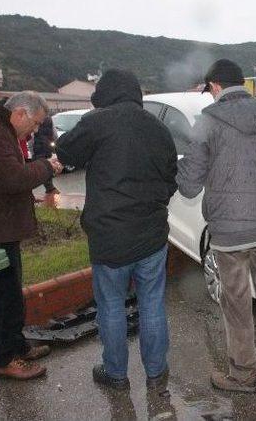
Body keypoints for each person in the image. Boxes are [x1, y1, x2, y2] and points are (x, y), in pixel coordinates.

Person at [177, 59, 256, 393]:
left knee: (236, 301)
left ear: (215, 86)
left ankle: (243, 374)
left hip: (230, 233)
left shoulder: (207, 122)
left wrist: (182, 165)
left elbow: (189, 186)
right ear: (241, 84)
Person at [56, 69, 178, 391]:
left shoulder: (98, 121)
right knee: (152, 302)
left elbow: (65, 151)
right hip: (151, 234)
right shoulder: (159, 128)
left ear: (104, 94)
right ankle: (156, 373)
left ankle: (116, 374)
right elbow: (171, 179)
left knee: (111, 304)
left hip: (109, 235)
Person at [0, 92, 63, 380]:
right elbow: (12, 178)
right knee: (3, 297)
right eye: (35, 124)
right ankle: (4, 359)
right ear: (21, 114)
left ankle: (15, 346)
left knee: (10, 294)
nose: (35, 131)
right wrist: (47, 166)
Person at [33, 115, 59, 194]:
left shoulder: (35, 117)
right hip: (46, 146)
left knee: (42, 164)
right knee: (46, 165)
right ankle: (49, 187)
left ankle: (49, 187)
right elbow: (54, 133)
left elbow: (32, 135)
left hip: (39, 146)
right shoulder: (49, 119)